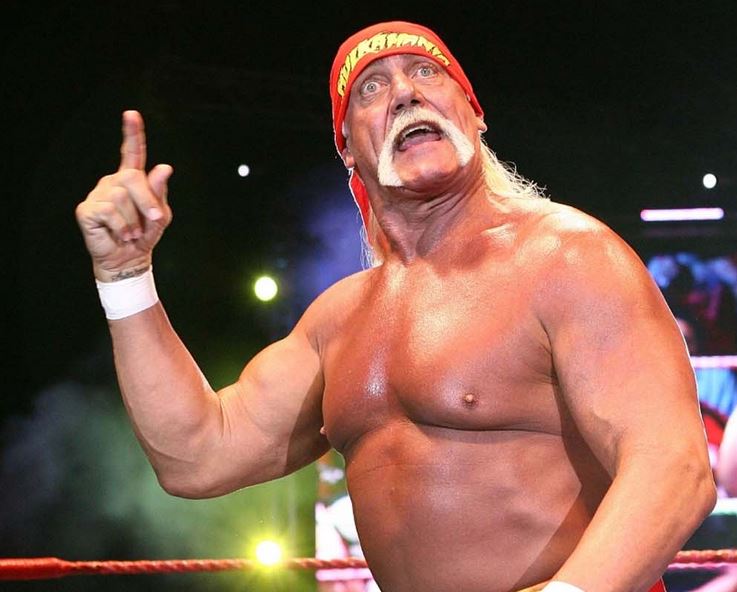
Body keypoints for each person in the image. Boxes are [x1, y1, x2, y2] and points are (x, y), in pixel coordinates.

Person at [75, 20, 716, 592]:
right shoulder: (337, 323)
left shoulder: (568, 257)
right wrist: (125, 275)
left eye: (426, 72)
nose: (406, 92)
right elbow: (196, 456)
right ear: (348, 149)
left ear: (473, 115)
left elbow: (674, 467)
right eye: (372, 88)